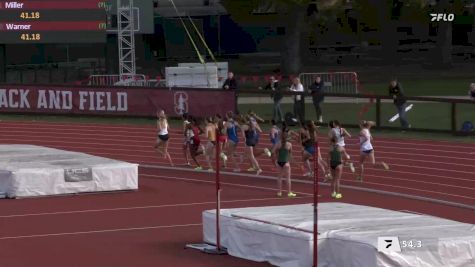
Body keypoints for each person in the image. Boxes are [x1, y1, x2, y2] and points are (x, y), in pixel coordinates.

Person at [273, 131, 296, 198]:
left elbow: (273, 152)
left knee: (279, 177)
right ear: (287, 137)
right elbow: (290, 155)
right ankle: (289, 192)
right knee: (288, 178)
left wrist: (276, 158)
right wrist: (293, 161)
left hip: (279, 162)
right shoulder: (289, 144)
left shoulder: (278, 143)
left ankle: (279, 192)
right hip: (286, 163)